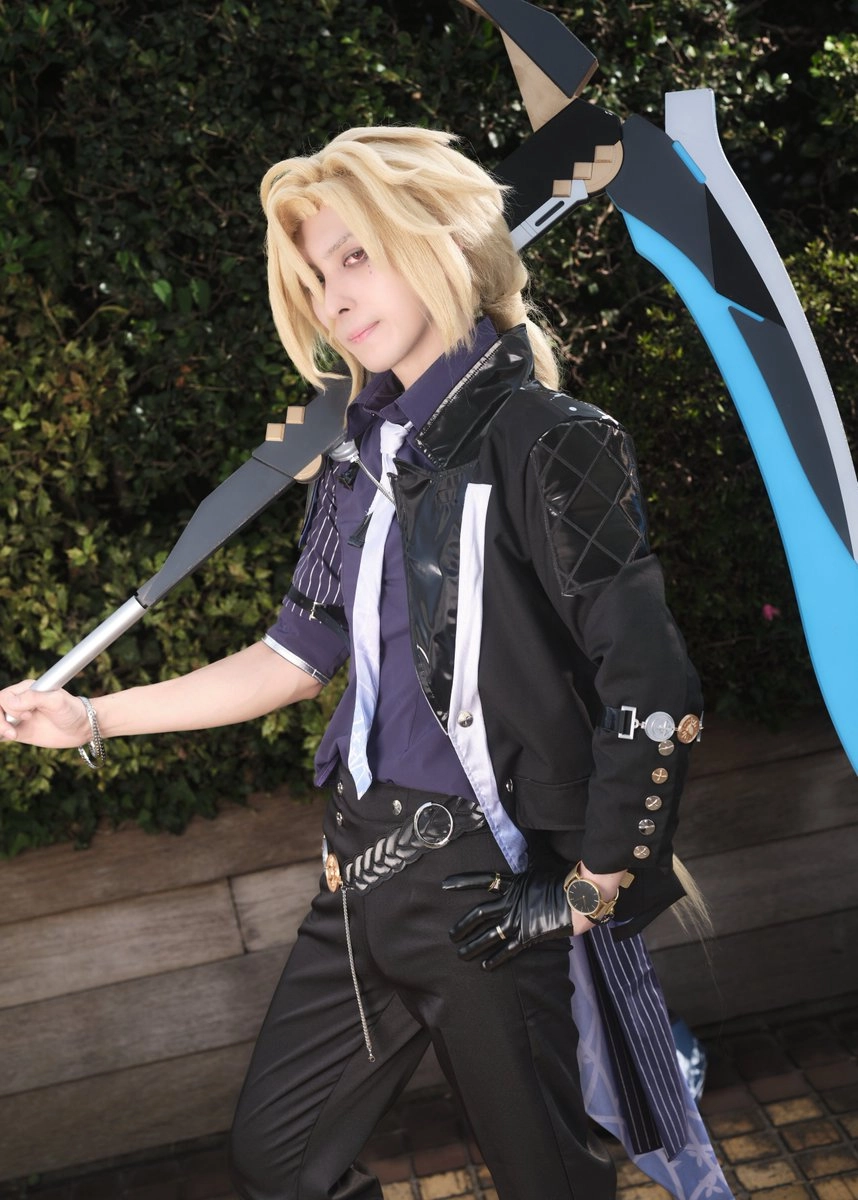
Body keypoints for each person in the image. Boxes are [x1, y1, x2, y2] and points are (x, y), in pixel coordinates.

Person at [1, 127, 710, 1200]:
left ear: (438, 242)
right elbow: (294, 656)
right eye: (313, 279)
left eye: (353, 257)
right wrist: (94, 716)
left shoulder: (550, 438)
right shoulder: (357, 457)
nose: (332, 299)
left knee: (549, 1182)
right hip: (356, 878)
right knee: (279, 1159)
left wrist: (589, 886)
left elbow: (650, 684)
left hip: (485, 882)